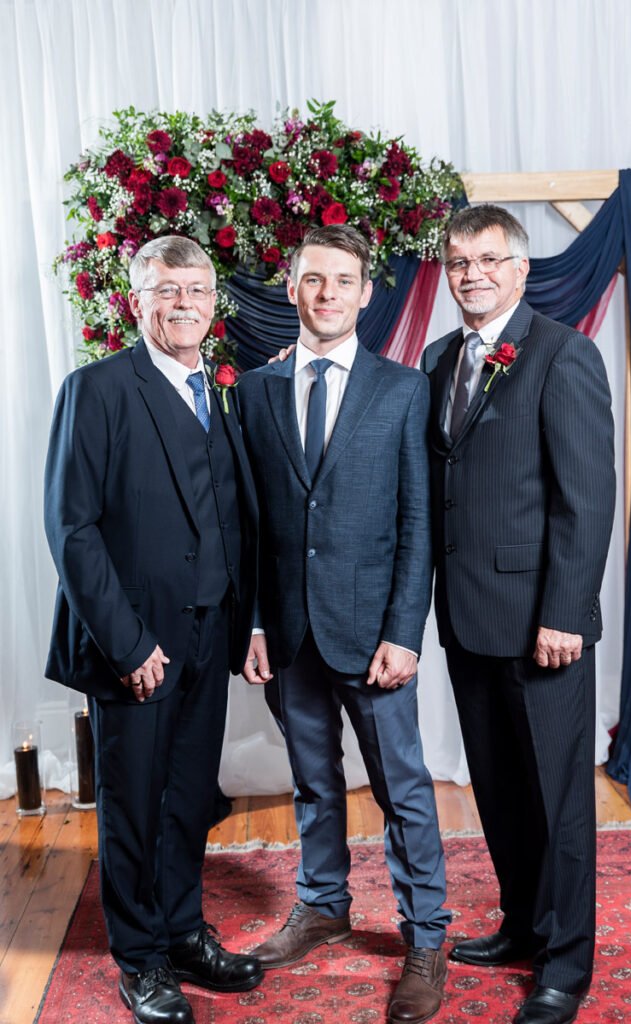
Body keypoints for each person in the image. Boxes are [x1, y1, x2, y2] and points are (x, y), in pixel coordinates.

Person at [44, 236, 263, 1024]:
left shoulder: (220, 389)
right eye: (167, 290)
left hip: (210, 631)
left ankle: (182, 931)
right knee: (135, 805)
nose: (184, 304)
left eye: (196, 289)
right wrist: (128, 642)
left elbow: (236, 517)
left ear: (213, 301)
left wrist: (249, 621)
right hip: (137, 643)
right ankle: (140, 959)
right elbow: (72, 528)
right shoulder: (97, 389)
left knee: (188, 796)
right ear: (137, 301)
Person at [239, 224, 451, 1024]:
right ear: (291, 288)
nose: (326, 293)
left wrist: (404, 631)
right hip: (288, 630)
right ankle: (322, 905)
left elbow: (417, 521)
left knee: (403, 788)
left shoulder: (402, 389)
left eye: (342, 281)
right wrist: (255, 623)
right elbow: (249, 522)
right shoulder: (253, 391)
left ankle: (425, 936)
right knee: (312, 781)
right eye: (312, 279)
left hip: (372, 634)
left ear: (366, 294)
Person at [420, 205, 616, 1024]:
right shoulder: (437, 358)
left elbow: (587, 497)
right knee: (499, 789)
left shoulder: (563, 353)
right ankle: (523, 924)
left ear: (521, 269)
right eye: (459, 262)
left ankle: (565, 963)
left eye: (489, 259)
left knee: (557, 801)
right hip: (467, 616)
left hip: (543, 624)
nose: (472, 274)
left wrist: (565, 613)